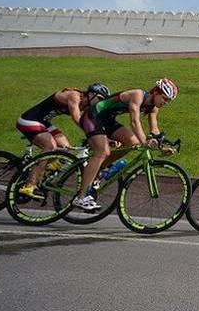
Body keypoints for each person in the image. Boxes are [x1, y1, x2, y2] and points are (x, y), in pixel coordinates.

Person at [71, 78, 178, 211]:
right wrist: (145, 141)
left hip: (107, 120)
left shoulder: (154, 108)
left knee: (133, 142)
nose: (165, 103)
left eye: (168, 101)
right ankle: (80, 197)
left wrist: (161, 147)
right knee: (103, 152)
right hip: (92, 116)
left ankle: (99, 170)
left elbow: (154, 130)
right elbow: (134, 121)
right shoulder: (138, 95)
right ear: (156, 92)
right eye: (165, 98)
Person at [15, 83, 111, 198]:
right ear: (91, 94)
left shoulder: (87, 105)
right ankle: (29, 185)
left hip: (43, 122)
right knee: (50, 147)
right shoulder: (74, 96)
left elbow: (95, 122)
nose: (99, 102)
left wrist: (106, 137)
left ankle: (43, 168)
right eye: (99, 98)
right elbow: (76, 118)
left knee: (66, 149)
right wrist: (92, 134)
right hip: (29, 119)